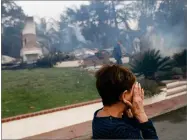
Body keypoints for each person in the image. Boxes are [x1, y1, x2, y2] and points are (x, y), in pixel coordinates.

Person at [92, 65, 158, 139]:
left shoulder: (99, 115)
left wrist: (132, 115)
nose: (136, 94)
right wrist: (141, 114)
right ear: (124, 95)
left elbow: (133, 129)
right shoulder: (119, 130)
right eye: (134, 90)